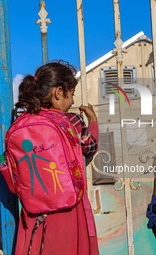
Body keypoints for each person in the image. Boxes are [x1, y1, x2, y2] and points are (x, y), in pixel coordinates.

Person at [13, 61, 99, 254]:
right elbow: (90, 147)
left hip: (33, 211)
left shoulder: (21, 123)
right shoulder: (71, 121)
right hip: (68, 209)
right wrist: (93, 121)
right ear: (58, 92)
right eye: (72, 95)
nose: (73, 102)